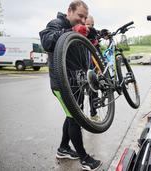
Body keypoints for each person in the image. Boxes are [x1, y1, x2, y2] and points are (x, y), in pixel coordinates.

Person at [39, 1, 102, 170]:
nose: (82, 20)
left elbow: (91, 36)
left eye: (84, 17)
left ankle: (63, 148)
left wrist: (95, 33)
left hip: (77, 82)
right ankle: (84, 158)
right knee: (75, 118)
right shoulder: (56, 24)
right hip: (62, 83)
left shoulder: (81, 26)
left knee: (71, 115)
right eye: (79, 16)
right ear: (69, 11)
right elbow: (47, 42)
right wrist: (71, 31)